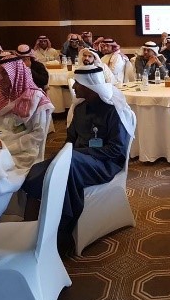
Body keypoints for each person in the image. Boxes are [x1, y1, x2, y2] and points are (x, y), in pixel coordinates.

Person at [22, 65, 135, 232]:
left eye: (77, 83)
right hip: (76, 159)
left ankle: (61, 229)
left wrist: (76, 153)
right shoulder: (80, 109)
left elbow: (116, 150)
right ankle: (32, 227)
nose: (73, 87)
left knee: (68, 165)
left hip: (105, 164)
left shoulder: (113, 111)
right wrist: (64, 154)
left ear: (90, 86)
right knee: (41, 169)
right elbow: (70, 139)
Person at [0, 56, 55, 171]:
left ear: (17, 74)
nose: (0, 78)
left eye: (5, 73)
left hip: (22, 152)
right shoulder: (0, 95)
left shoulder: (36, 97)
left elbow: (38, 134)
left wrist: (10, 147)